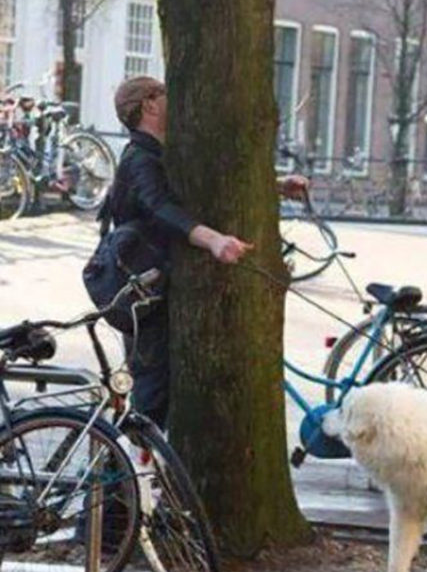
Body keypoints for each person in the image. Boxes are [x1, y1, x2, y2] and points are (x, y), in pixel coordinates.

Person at [111, 76, 308, 428]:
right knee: (151, 401)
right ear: (150, 105)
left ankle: (129, 473)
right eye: (164, 93)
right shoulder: (140, 158)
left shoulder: (162, 152)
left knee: (157, 399)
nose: (173, 98)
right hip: (144, 298)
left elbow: (200, 188)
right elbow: (160, 207)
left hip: (156, 290)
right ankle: (116, 477)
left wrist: (275, 186)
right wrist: (214, 240)